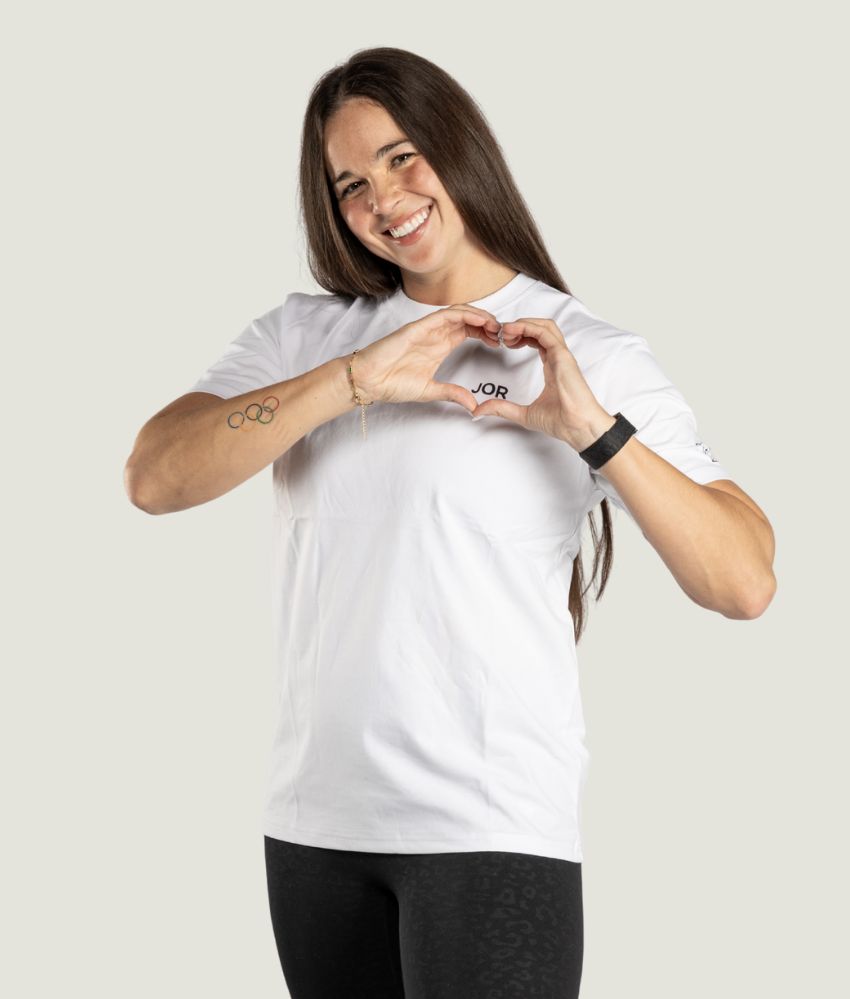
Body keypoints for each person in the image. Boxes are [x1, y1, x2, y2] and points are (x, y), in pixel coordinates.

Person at [124, 46, 776, 999]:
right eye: (350, 184)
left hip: (489, 827)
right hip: (315, 829)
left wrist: (594, 431)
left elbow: (744, 580)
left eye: (401, 157)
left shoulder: (586, 352)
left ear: (458, 144)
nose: (383, 199)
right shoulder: (302, 338)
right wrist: (354, 379)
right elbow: (154, 476)